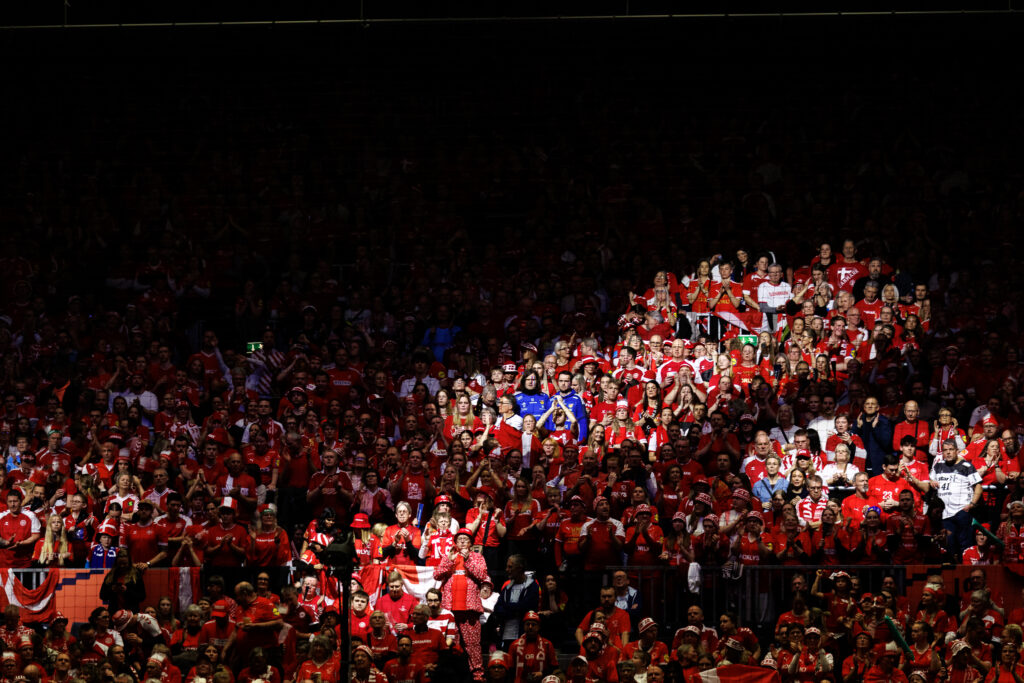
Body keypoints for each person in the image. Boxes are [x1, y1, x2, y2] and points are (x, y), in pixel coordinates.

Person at [434, 527, 490, 681]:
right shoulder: (450, 556)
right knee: (452, 645)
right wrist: (448, 561)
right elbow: (437, 575)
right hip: (450, 609)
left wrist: (468, 560)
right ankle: (454, 675)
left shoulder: (477, 557)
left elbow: (482, 576)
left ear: (471, 543)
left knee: (473, 645)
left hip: (470, 609)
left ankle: (478, 675)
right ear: (456, 542)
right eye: (460, 539)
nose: (463, 541)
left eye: (466, 539)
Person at [930, 438, 983, 560]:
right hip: (945, 515)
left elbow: (978, 487)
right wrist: (931, 481)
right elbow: (930, 480)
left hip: (962, 512)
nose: (948, 452)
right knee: (949, 547)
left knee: (965, 546)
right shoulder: (938, 466)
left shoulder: (967, 466)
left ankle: (966, 568)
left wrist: (972, 504)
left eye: (951, 449)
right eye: (945, 450)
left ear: (957, 451)